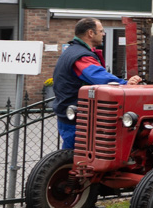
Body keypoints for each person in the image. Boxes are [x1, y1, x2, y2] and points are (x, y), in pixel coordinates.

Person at [52, 17, 143, 150]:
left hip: (68, 113)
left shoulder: (71, 51)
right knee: (78, 157)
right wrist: (125, 84)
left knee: (70, 156)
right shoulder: (82, 56)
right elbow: (100, 77)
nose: (103, 34)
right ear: (90, 33)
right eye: (101, 31)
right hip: (78, 118)